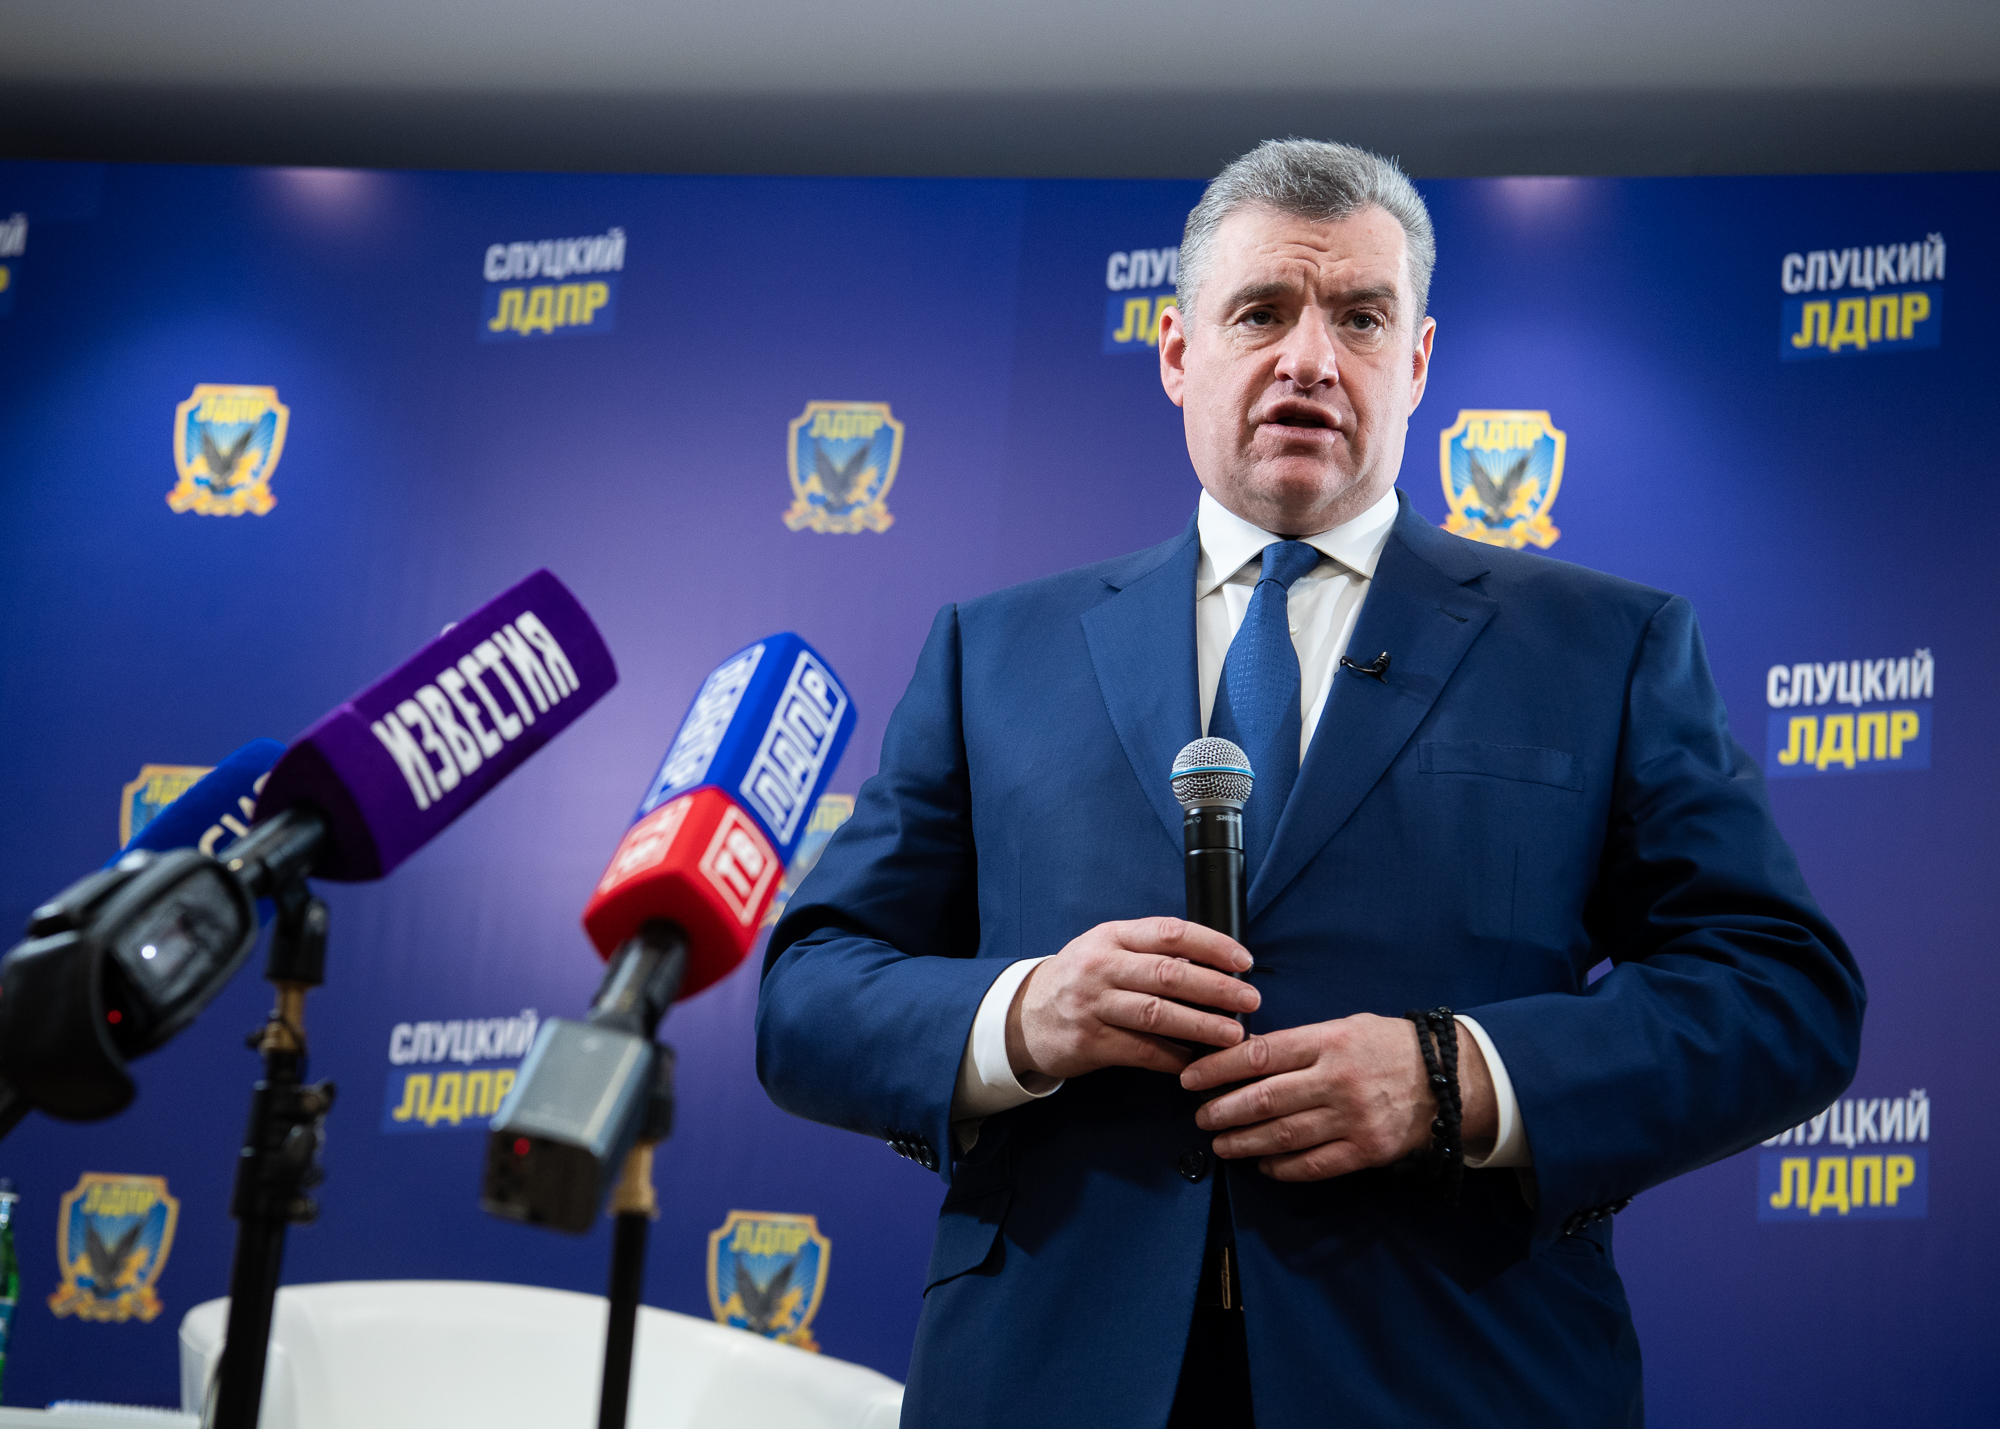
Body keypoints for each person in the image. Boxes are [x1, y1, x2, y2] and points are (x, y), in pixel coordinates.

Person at [756, 139, 1863, 1428]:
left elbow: (1781, 994)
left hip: (1455, 1379)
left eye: (1361, 318)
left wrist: (1454, 1076)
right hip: (1051, 1378)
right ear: (1178, 353)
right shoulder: (991, 653)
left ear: (1418, 364)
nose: (1309, 358)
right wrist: (1024, 1015)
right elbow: (809, 995)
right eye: (1262, 312)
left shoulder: (1606, 647)